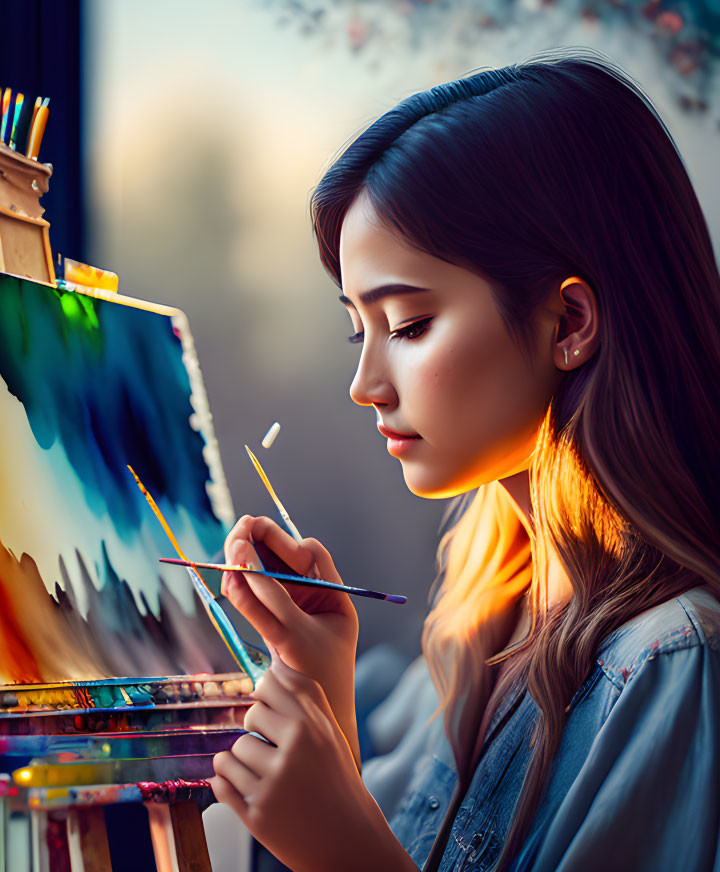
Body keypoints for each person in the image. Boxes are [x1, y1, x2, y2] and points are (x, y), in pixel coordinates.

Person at [208, 51, 720, 871]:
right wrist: (322, 684)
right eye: (357, 331)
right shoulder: (487, 619)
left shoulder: (673, 663)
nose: (365, 384)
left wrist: (344, 856)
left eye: (407, 325)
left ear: (568, 321)